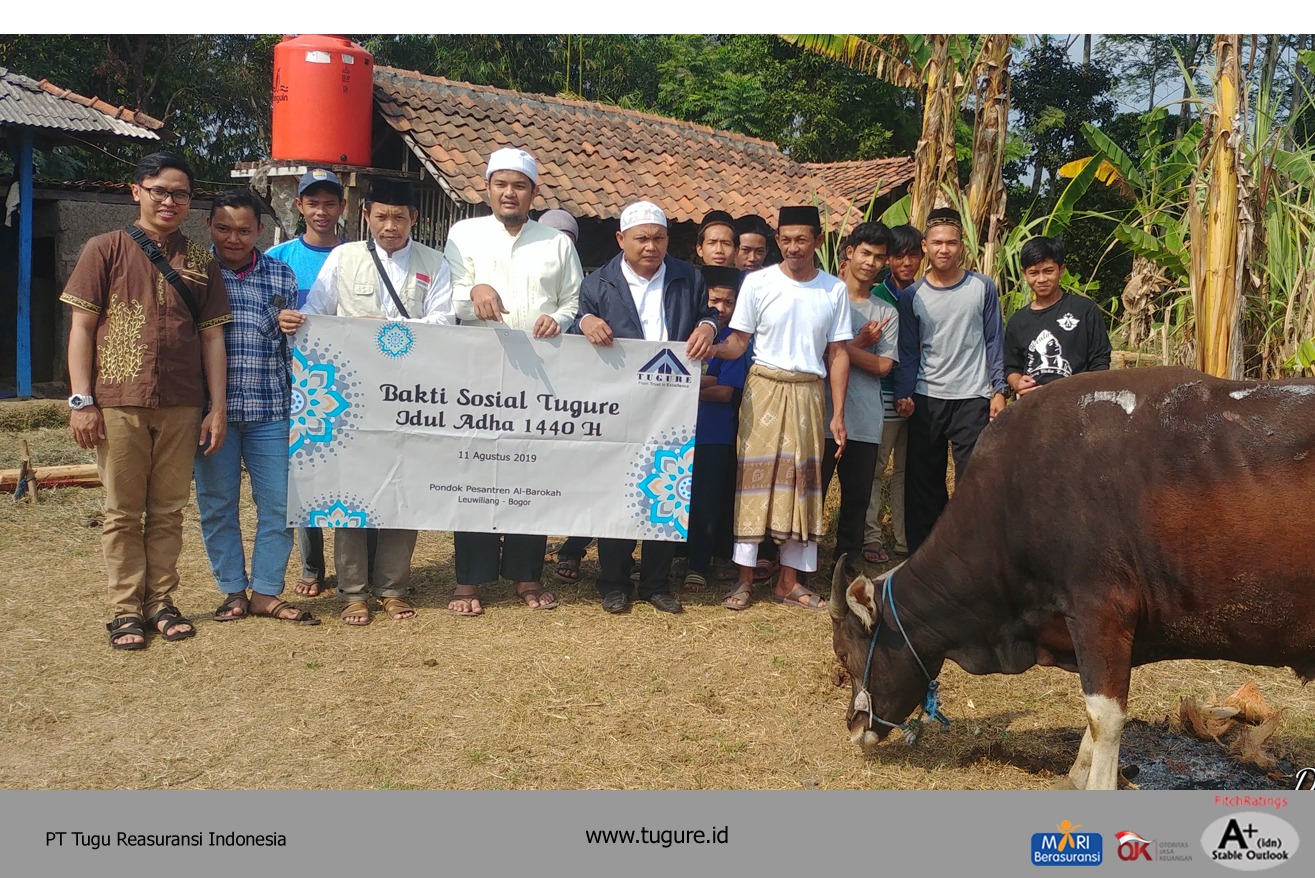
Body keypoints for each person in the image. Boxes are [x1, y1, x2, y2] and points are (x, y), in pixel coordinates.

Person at [61, 151, 231, 649]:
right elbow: (82, 329)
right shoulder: (105, 249)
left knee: (168, 510)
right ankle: (124, 609)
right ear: (136, 191)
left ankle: (160, 602)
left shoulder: (200, 261)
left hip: (182, 401)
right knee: (121, 511)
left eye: (180, 193)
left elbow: (212, 339)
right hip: (118, 400)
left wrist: (216, 407)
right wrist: (81, 400)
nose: (169, 201)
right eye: (159, 190)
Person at [279, 177, 455, 625]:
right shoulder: (344, 257)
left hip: (411, 396)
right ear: (366, 215)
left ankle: (394, 588)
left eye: (399, 216)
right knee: (351, 493)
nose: (390, 225)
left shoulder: (435, 264)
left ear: (414, 218)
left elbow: (442, 320)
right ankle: (353, 591)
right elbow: (317, 315)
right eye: (381, 215)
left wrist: (390, 329)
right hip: (351, 399)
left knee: (403, 490)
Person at [444, 147, 583, 615]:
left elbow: (571, 303)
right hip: (478, 373)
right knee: (476, 470)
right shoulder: (464, 235)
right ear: (487, 189)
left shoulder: (557, 243)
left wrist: (557, 321)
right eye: (501, 184)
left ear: (534, 193)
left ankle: (527, 576)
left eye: (519, 185)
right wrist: (474, 292)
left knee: (530, 472)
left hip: (540, 376)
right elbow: (450, 298)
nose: (509, 193)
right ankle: (470, 580)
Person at [569, 200, 719, 614]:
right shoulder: (599, 283)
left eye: (659, 238)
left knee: (667, 486)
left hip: (670, 405)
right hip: (618, 402)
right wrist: (584, 323)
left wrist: (707, 327)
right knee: (618, 489)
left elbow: (708, 316)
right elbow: (576, 322)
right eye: (642, 239)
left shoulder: (689, 277)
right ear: (621, 240)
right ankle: (613, 581)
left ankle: (656, 583)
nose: (651, 247)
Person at [711, 205, 851, 611]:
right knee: (754, 482)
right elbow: (738, 342)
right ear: (778, 241)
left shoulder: (833, 289)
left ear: (818, 241)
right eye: (786, 240)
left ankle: (788, 582)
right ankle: (744, 579)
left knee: (802, 485)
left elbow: (838, 353)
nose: (793, 247)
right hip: (763, 390)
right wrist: (709, 350)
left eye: (801, 239)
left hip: (809, 393)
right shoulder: (757, 284)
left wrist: (837, 413)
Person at [196, 190, 318, 625]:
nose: (234, 238)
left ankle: (266, 591)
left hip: (271, 409)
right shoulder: (194, 272)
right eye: (225, 228)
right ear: (209, 225)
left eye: (244, 230)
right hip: (211, 414)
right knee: (216, 503)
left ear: (259, 231)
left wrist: (293, 327)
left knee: (280, 506)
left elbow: (295, 348)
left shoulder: (280, 276)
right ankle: (232, 590)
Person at [894, 207, 1006, 554]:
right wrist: (905, 391)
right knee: (923, 481)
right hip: (927, 397)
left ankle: (975, 552)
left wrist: (998, 390)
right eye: (937, 242)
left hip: (972, 397)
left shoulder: (982, 288)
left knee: (974, 479)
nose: (944, 249)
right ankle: (925, 553)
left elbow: (993, 340)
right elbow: (908, 350)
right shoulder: (912, 295)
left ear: (962, 247)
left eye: (952, 243)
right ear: (925, 245)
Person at [266, 168, 347, 599]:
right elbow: (261, 313)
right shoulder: (278, 257)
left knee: (350, 473)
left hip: (351, 382)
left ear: (343, 207)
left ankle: (355, 565)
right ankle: (312, 566)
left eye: (329, 202)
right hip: (292, 381)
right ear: (299, 206)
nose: (321, 211)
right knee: (305, 470)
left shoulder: (357, 256)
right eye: (312, 202)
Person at [821, 222, 898, 579]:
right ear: (849, 251)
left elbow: (884, 366)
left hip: (865, 419)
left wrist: (845, 348)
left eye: (879, 256)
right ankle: (799, 562)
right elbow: (816, 352)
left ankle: (845, 565)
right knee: (811, 492)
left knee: (856, 498)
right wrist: (859, 345)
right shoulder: (824, 298)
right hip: (819, 414)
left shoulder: (886, 312)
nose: (871, 262)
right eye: (865, 252)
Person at [683, 264, 750, 592]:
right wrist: (707, 380)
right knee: (678, 497)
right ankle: (674, 558)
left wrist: (687, 385)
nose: (720, 310)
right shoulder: (687, 333)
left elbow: (726, 392)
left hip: (716, 436)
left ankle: (699, 565)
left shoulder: (735, 343)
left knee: (708, 503)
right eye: (714, 301)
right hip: (680, 432)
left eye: (728, 303)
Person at [863, 223, 921, 561]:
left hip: (917, 396)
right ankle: (871, 535)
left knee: (906, 472)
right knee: (876, 468)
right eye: (898, 255)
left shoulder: (922, 295)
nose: (906, 261)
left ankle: (904, 538)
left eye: (913, 254)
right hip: (882, 392)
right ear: (888, 260)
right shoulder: (878, 297)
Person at [1004, 236, 1112, 395]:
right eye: (1034, 273)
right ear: (1024, 274)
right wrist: (1018, 382)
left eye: (1048, 271)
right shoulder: (1017, 321)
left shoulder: (1084, 310)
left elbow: (1100, 361)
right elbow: (1011, 366)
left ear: (1061, 270)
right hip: (1033, 405)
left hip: (1077, 403)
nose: (1041, 279)